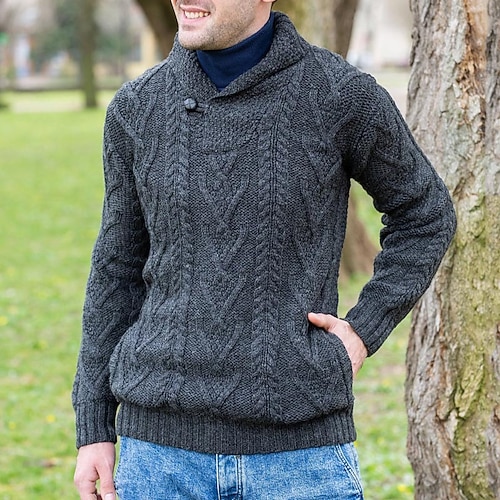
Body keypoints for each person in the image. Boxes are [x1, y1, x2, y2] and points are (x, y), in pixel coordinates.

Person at [72, 0, 457, 498]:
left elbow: (425, 213)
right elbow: (116, 268)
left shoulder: (340, 95)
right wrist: (95, 426)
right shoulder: (137, 107)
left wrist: (362, 332)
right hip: (158, 459)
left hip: (300, 459)